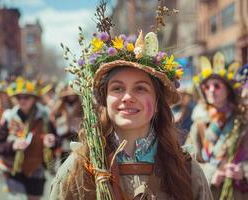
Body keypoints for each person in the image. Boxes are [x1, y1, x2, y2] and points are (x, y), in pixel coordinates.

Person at [49, 10, 212, 198]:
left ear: (158, 102)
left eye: (141, 88)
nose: (127, 97)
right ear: (104, 100)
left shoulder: (186, 169)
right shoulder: (78, 168)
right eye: (117, 89)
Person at [188, 53, 248, 199]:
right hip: (209, 192)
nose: (211, 90)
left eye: (217, 85)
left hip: (238, 193)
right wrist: (211, 174)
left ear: (228, 90)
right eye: (206, 86)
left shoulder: (243, 122)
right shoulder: (199, 124)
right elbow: (187, 161)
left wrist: (243, 171)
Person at [0, 77, 59, 200]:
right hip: (12, 170)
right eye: (19, 97)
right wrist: (13, 145)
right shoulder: (9, 117)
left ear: (34, 98)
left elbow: (57, 140)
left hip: (36, 169)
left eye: (26, 97)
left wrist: (52, 141)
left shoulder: (45, 116)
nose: (22, 100)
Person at [50, 84, 82, 163]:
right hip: (64, 132)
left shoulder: (80, 103)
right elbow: (52, 114)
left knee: (76, 154)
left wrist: (80, 121)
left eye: (73, 94)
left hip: (76, 132)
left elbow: (84, 116)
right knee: (64, 155)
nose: (71, 96)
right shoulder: (62, 103)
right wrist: (57, 123)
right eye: (69, 94)